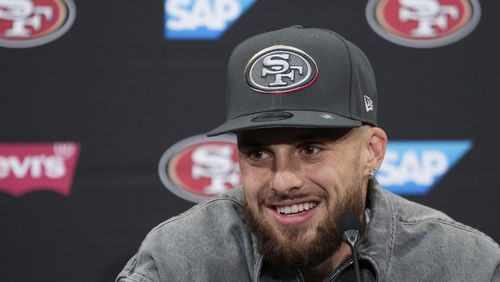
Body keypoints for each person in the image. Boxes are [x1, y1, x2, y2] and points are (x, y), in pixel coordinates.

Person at [116, 26, 500, 282]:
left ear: (372, 151)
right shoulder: (178, 260)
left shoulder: (464, 265)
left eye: (311, 149)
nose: (283, 180)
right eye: (259, 153)